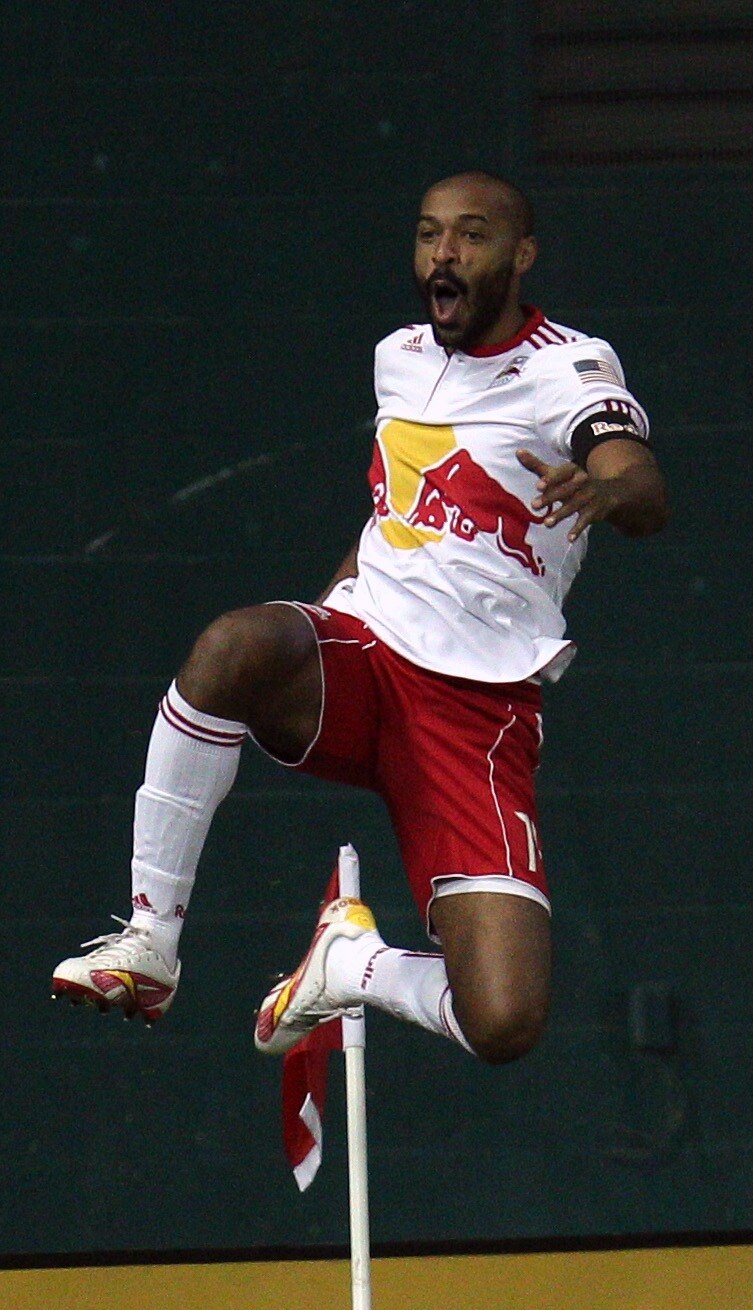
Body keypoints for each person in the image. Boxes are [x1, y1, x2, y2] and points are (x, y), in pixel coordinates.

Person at [53, 170, 669, 1064]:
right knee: (235, 645)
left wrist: (607, 489)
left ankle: (353, 963)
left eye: (471, 235)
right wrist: (332, 605)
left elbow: (643, 485)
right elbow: (397, 512)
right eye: (428, 236)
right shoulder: (400, 356)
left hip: (475, 716)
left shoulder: (569, 366)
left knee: (504, 1021)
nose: (444, 256)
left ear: (522, 255)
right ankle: (150, 942)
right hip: (367, 659)